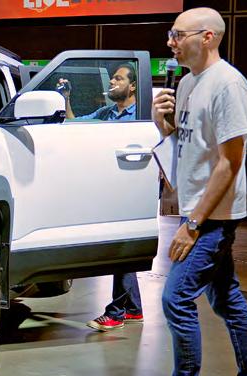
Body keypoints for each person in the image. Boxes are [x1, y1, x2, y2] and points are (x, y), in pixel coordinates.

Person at [126, 7, 247, 376]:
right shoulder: (188, 83)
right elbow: (189, 146)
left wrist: (194, 225)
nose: (170, 42)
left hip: (213, 217)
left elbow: (230, 162)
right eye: (171, 34)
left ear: (207, 37)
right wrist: (163, 124)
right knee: (226, 299)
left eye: (178, 34)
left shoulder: (228, 85)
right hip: (195, 210)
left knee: (175, 298)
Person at [57, 64, 144, 332]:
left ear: (132, 86)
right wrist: (66, 98)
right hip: (109, 188)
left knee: (121, 249)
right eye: (113, 78)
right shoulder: (106, 113)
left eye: (118, 78)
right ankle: (134, 309)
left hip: (132, 189)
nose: (112, 82)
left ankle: (116, 312)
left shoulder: (140, 115)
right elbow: (73, 124)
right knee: (124, 249)